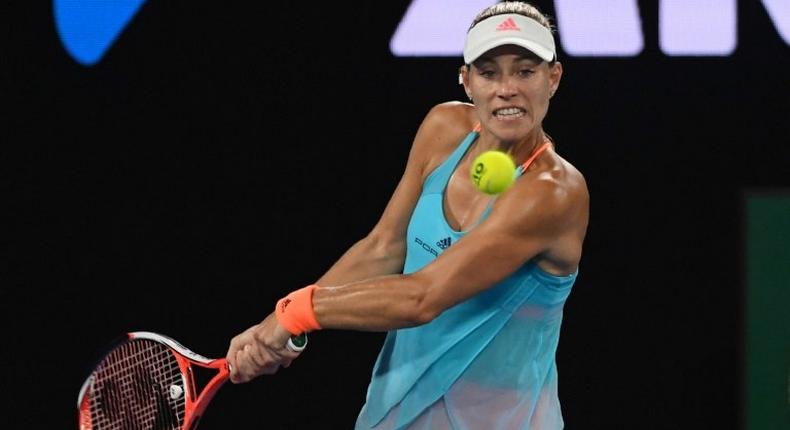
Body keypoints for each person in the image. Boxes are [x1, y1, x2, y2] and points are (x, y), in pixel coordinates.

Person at [225, 1, 589, 428]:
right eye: (489, 72)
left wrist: (296, 312)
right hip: (394, 414)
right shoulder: (443, 129)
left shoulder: (554, 194)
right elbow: (384, 247)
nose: (506, 88)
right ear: (467, 81)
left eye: (525, 71)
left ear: (553, 78)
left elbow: (422, 297)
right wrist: (281, 324)